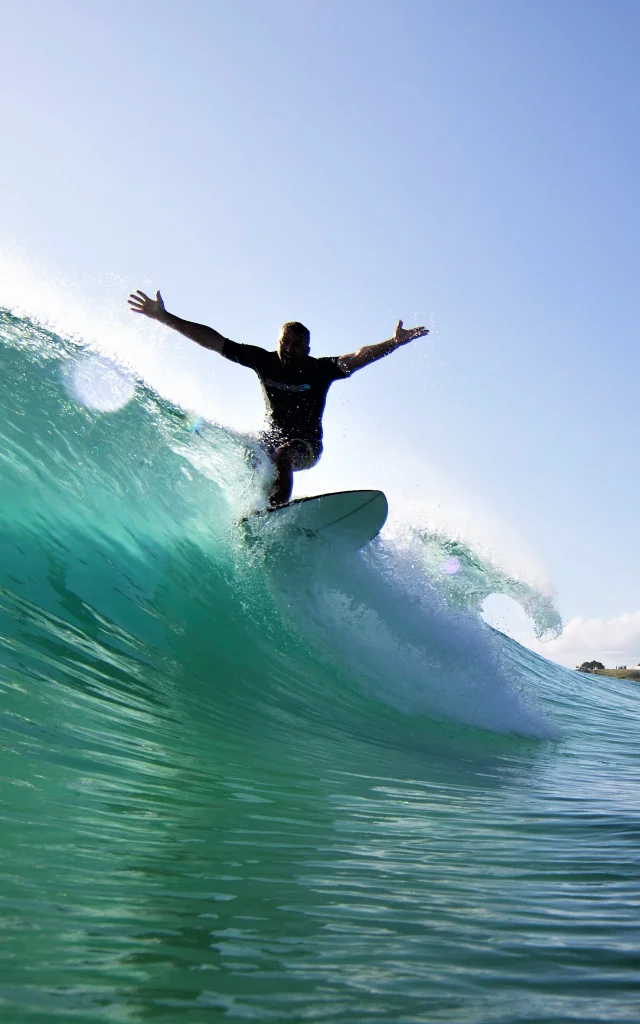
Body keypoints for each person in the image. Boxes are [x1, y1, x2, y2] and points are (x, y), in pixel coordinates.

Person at [128, 289, 429, 506]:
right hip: (271, 437)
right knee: (252, 450)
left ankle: (276, 513)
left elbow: (358, 356)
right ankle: (254, 505)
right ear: (278, 342)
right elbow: (214, 341)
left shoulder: (319, 370)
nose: (290, 349)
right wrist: (164, 317)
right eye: (286, 342)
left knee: (283, 454)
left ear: (307, 350)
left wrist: (394, 342)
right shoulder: (263, 361)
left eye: (298, 345)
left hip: (306, 446)